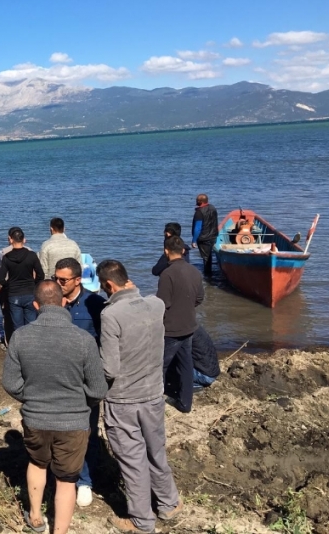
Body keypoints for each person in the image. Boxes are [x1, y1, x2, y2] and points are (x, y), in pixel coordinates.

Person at [2, 281, 107, 534]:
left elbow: (10, 383)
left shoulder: (20, 336)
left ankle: (36, 517)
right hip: (73, 421)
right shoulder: (83, 339)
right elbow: (98, 390)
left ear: (36, 306)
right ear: (63, 303)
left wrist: (32, 398)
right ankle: (59, 531)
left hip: (36, 418)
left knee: (37, 464)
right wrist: (79, 402)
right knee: (67, 479)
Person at [98, 259, 182, 533]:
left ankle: (142, 521)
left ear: (109, 285)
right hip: (153, 395)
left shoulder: (110, 315)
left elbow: (109, 368)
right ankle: (169, 503)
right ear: (128, 279)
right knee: (156, 451)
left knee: (133, 460)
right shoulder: (155, 305)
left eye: (103, 288)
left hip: (123, 400)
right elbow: (140, 297)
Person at [52, 257, 107, 506]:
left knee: (87, 431)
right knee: (60, 431)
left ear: (77, 280)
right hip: (57, 378)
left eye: (62, 280)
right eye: (55, 278)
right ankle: (64, 476)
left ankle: (85, 480)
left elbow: (105, 343)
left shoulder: (96, 304)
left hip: (85, 380)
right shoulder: (52, 302)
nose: (58, 283)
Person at [157, 235, 203, 414]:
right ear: (183, 251)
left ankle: (155, 401)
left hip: (171, 328)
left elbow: (162, 303)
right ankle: (185, 403)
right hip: (189, 325)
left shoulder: (167, 274)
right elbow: (199, 298)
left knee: (160, 364)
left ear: (166, 251)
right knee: (186, 363)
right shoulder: (194, 271)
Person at [0, 227, 44, 332]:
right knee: (31, 324)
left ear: (11, 239)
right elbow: (41, 275)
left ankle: (18, 346)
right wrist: (34, 284)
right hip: (29, 292)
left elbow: (0, 278)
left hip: (14, 294)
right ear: (24, 240)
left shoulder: (7, 257)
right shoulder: (31, 255)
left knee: (17, 326)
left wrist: (8, 285)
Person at [191, 194, 219, 276]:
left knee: (206, 258)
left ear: (199, 201)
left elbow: (198, 228)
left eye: (197, 200)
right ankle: (210, 273)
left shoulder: (199, 212)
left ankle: (208, 277)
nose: (196, 201)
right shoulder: (213, 208)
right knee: (209, 256)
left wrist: (194, 241)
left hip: (204, 238)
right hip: (213, 236)